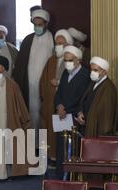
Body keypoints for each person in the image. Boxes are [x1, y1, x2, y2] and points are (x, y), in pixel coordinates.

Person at [13, 9, 54, 131]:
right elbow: (20, 64)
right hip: (29, 86)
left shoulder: (52, 39)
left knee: (44, 114)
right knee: (30, 113)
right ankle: (31, 146)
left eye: (40, 25)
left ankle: (43, 147)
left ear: (46, 24)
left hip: (45, 85)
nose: (37, 27)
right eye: (35, 25)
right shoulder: (28, 39)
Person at [54, 46, 91, 180]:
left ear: (78, 60)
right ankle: (60, 177)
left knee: (73, 148)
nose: (67, 63)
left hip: (74, 117)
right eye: (65, 60)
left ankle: (71, 178)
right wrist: (59, 106)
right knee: (61, 148)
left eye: (70, 60)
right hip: (61, 116)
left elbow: (82, 98)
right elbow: (59, 93)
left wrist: (66, 109)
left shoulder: (85, 75)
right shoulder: (65, 72)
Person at [39, 29, 74, 159]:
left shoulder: (71, 61)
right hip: (50, 103)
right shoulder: (51, 61)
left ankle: (61, 158)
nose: (58, 46)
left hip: (64, 105)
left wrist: (59, 83)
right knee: (49, 131)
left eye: (62, 43)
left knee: (62, 133)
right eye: (57, 43)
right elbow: (43, 81)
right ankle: (51, 157)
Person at [76, 56, 117, 138]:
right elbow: (84, 100)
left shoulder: (109, 87)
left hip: (98, 130)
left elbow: (106, 114)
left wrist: (88, 120)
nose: (92, 72)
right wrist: (80, 112)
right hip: (87, 126)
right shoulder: (92, 83)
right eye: (91, 70)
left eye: (95, 70)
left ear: (104, 72)